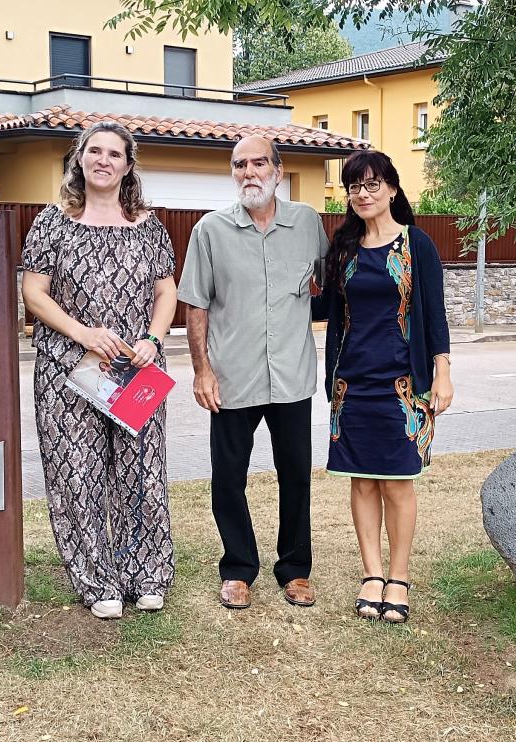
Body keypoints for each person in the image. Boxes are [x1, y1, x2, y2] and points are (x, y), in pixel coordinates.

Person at [21, 121, 178, 620]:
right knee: (78, 475)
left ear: (129, 165)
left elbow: (165, 291)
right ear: (80, 159)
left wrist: (153, 338)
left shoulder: (148, 225)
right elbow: (33, 292)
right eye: (95, 151)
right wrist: (84, 333)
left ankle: (146, 575)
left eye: (114, 153)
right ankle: (98, 581)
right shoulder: (51, 221)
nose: (103, 160)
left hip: (136, 369)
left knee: (142, 472)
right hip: (70, 369)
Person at [178, 134, 329, 610]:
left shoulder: (307, 223)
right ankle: (238, 568)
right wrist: (202, 371)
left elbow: (325, 282)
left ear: (278, 171)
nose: (249, 172)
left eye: (259, 163)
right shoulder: (210, 231)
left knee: (296, 476)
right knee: (228, 478)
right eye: (240, 164)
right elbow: (195, 307)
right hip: (232, 377)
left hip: (291, 376)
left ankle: (295, 568)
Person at [316, 150, 453, 624]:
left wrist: (443, 370)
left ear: (393, 189)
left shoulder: (418, 244)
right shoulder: (344, 248)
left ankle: (398, 577)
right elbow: (325, 310)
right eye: (355, 186)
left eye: (373, 184)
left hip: (403, 383)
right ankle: (371, 574)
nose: (363, 194)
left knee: (397, 483)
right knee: (362, 480)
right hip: (350, 384)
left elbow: (434, 313)